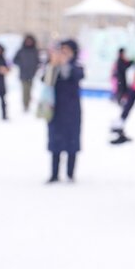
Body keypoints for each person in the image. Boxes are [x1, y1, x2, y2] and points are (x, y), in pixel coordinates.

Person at [46, 39, 84, 183]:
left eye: (67, 50)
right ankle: (54, 173)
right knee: (55, 142)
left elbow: (76, 76)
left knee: (72, 142)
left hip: (72, 111)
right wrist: (53, 65)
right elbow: (45, 80)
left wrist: (65, 64)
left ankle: (70, 173)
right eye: (62, 50)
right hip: (55, 109)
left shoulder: (76, 66)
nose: (63, 53)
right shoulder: (52, 66)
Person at [13, 34, 40, 112]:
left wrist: (35, 68)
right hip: (23, 74)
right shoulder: (21, 50)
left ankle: (27, 103)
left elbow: (37, 61)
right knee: (25, 90)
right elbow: (15, 60)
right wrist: (21, 64)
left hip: (31, 74)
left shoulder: (35, 51)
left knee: (30, 90)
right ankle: (25, 105)